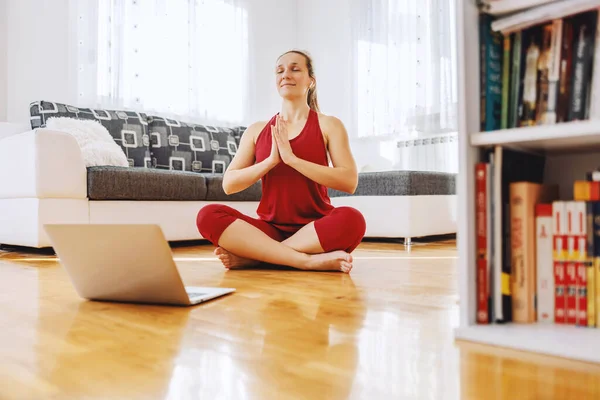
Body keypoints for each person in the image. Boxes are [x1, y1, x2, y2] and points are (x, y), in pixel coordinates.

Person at [196, 49, 366, 273]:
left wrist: (292, 159)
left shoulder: (329, 125)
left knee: (353, 220)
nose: (286, 74)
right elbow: (229, 184)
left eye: (295, 69)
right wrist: (270, 161)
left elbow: (349, 180)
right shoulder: (257, 130)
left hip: (315, 229)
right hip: (270, 229)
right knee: (208, 215)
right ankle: (305, 261)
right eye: (280, 71)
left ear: (310, 81)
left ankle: (258, 258)